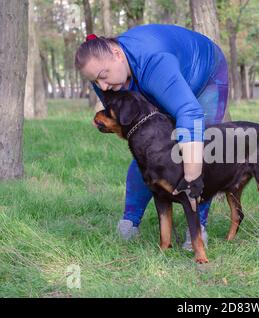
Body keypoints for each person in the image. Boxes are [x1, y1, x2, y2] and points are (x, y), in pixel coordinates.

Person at [74, 24, 229, 250]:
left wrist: (192, 178)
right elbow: (129, 129)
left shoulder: (154, 62)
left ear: (117, 54)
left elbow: (190, 112)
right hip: (152, 78)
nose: (103, 87)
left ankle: (196, 227)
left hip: (205, 75)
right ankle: (130, 221)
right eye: (95, 82)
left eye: (103, 77)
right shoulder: (106, 76)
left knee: (199, 150)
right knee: (149, 148)